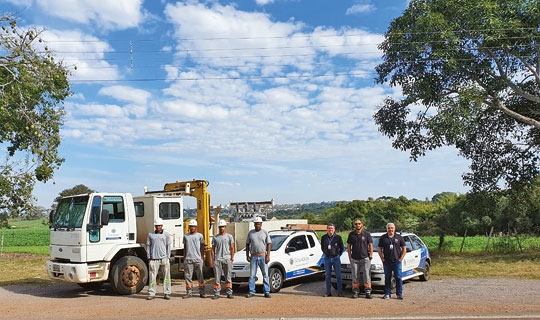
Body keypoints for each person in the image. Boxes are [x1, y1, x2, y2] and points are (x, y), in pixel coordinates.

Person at [377, 222, 407, 300]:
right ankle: (387, 294)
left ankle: (399, 294)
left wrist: (401, 259)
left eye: (392, 228)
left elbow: (404, 248)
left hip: (397, 261)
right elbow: (379, 249)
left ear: (394, 228)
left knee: (398, 277)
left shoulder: (399, 237)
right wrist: (382, 259)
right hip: (387, 261)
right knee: (387, 278)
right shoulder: (383, 237)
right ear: (387, 229)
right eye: (389, 228)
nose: (390, 229)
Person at [245, 216, 272, 298]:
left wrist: (268, 255)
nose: (257, 225)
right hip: (253, 257)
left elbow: (269, 244)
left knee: (265, 274)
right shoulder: (250, 233)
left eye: (259, 224)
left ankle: (266, 291)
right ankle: (251, 291)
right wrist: (247, 255)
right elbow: (247, 244)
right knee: (252, 275)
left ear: (261, 224)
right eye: (256, 224)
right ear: (254, 224)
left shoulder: (265, 232)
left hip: (263, 256)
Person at [347, 219, 373, 299]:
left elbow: (370, 245)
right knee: (355, 276)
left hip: (365, 258)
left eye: (359, 223)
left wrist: (370, 255)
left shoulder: (367, 234)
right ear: (354, 225)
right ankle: (355, 292)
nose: (357, 225)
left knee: (366, 276)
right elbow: (348, 246)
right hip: (354, 259)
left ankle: (368, 292)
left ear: (362, 224)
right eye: (356, 224)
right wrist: (350, 257)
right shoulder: (351, 234)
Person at [146, 218, 172, 300]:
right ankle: (152, 293)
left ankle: (167, 293)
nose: (158, 227)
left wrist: (168, 257)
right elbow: (148, 246)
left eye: (160, 226)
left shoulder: (166, 235)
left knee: (166, 276)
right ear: (155, 226)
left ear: (162, 226)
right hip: (154, 259)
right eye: (157, 226)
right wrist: (149, 257)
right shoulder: (150, 235)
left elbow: (168, 246)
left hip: (164, 258)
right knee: (152, 277)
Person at [211, 219, 236, 299]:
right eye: (220, 227)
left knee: (228, 277)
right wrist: (213, 260)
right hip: (218, 259)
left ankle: (229, 293)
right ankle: (217, 293)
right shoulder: (215, 237)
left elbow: (232, 247)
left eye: (223, 227)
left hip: (227, 258)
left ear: (225, 227)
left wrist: (232, 258)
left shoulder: (229, 236)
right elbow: (212, 249)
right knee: (217, 278)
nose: (221, 228)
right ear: (219, 228)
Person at [183, 219, 206, 298]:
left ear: (196, 227)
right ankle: (189, 292)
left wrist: (202, 257)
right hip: (188, 259)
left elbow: (202, 247)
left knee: (200, 276)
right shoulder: (186, 236)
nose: (192, 228)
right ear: (189, 227)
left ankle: (202, 292)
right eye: (191, 227)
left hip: (198, 259)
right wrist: (185, 257)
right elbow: (185, 247)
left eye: (193, 226)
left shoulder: (200, 236)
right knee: (188, 277)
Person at [320, 223, 345, 297]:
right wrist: (326, 253)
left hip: (336, 258)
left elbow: (342, 248)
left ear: (334, 230)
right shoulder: (324, 237)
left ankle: (340, 292)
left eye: (332, 228)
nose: (330, 230)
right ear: (327, 229)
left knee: (338, 276)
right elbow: (322, 247)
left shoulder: (338, 237)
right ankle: (328, 292)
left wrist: (338, 255)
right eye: (329, 228)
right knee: (328, 276)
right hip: (327, 258)